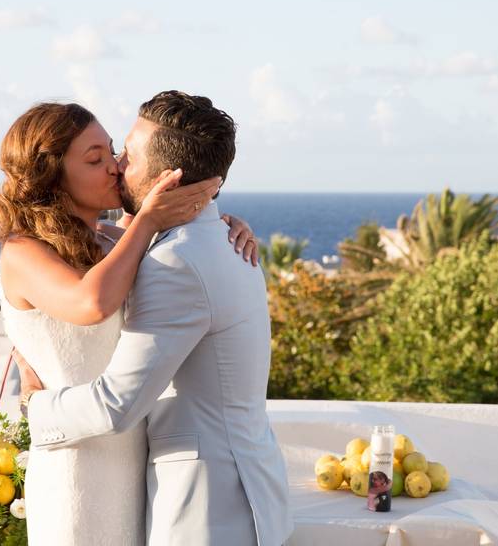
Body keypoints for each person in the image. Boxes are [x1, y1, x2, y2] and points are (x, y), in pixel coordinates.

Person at [16, 91, 293, 546]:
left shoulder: (178, 263)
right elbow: (109, 243)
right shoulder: (215, 239)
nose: (117, 164)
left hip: (208, 510)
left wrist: (33, 404)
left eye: (128, 153)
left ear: (167, 178)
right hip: (242, 491)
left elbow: (116, 405)